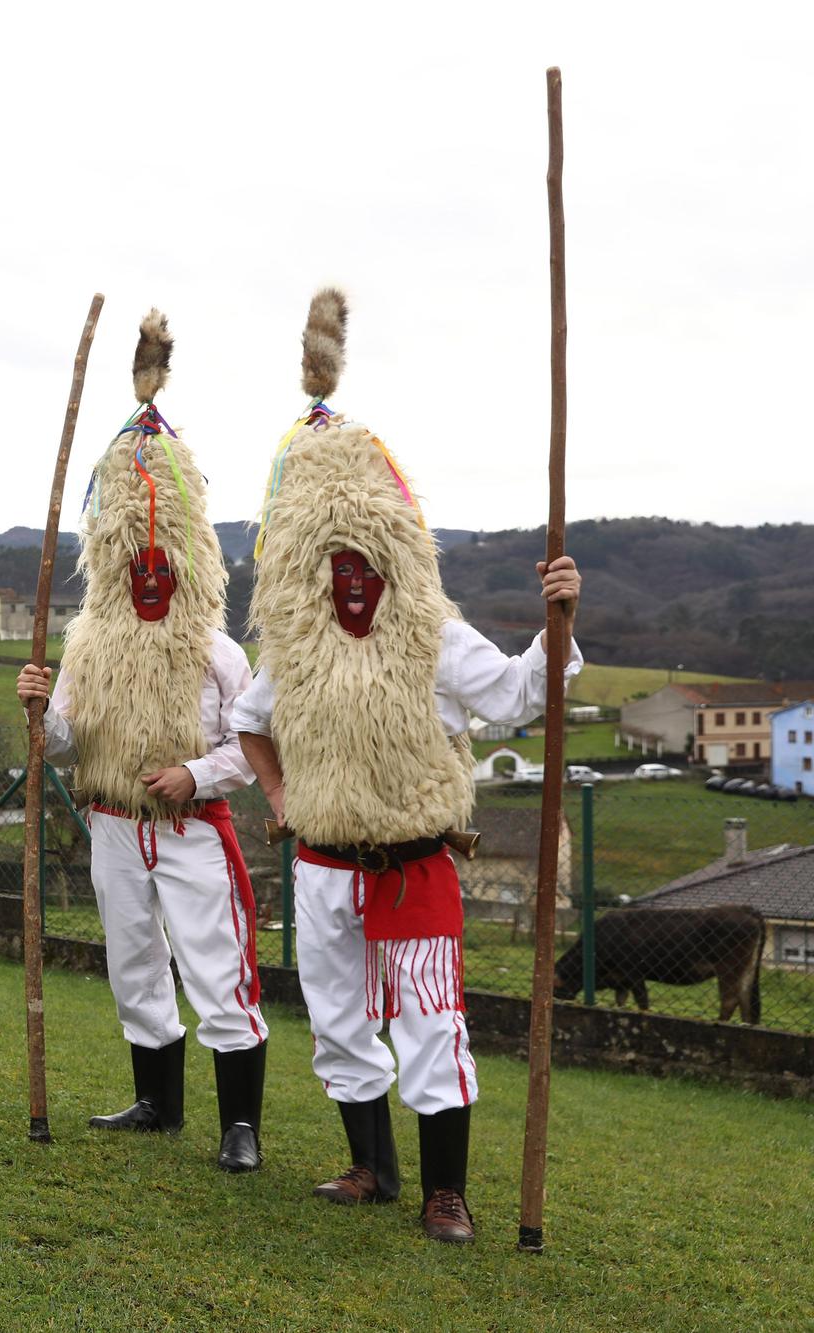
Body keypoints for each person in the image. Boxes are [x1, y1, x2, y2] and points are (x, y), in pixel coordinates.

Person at [232, 288, 583, 1244]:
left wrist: (560, 621)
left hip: (416, 863)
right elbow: (245, 718)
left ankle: (446, 1191)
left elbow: (517, 697)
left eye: (363, 560)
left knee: (431, 1025)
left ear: (392, 555)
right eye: (332, 560)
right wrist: (276, 790)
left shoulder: (434, 635)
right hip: (322, 866)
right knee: (341, 1025)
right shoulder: (294, 645)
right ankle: (370, 1166)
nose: (349, 578)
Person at [14, 309, 268, 1169]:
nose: (149, 577)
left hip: (192, 831)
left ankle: (240, 1125)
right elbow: (60, 745)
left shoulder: (218, 649)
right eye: (136, 566)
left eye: (163, 565)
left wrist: (197, 774)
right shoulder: (90, 646)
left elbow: (262, 742)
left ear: (186, 565)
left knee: (216, 965)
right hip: (114, 827)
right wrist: (40, 709)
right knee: (134, 962)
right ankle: (157, 1101)